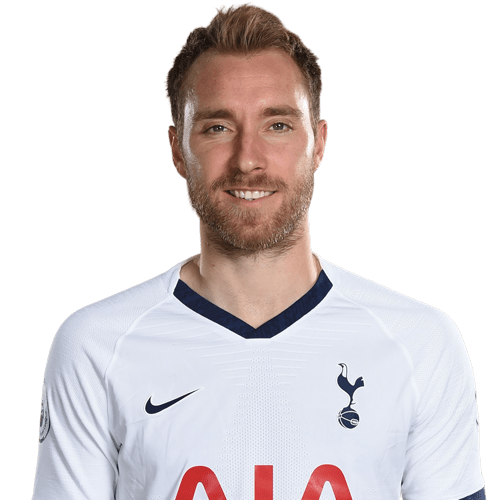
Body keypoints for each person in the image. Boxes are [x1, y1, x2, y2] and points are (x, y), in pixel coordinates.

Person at [32, 3, 486, 499]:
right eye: (217, 127)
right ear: (177, 150)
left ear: (319, 143)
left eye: (278, 125)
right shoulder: (96, 347)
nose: (248, 159)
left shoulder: (420, 345)